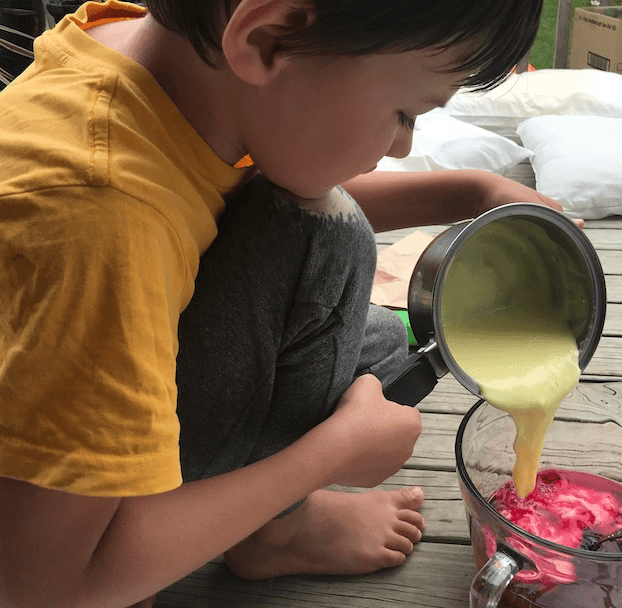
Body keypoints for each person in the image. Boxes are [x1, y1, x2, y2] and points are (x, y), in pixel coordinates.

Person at [0, 1, 564, 606]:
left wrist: (471, 193)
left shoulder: (163, 64)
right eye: (405, 114)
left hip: (71, 375)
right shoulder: (102, 224)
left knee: (375, 340)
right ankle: (273, 531)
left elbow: (264, 172)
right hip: (41, 553)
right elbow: (41, 588)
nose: (403, 146)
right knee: (331, 241)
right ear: (268, 39)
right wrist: (330, 455)